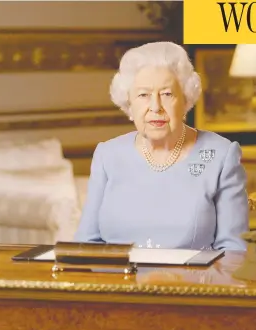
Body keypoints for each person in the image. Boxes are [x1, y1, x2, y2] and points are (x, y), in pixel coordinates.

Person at [74, 41, 249, 251]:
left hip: (191, 283)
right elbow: (86, 245)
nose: (155, 107)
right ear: (129, 104)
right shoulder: (108, 155)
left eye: (167, 94)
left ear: (185, 101)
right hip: (116, 281)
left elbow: (233, 252)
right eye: (143, 95)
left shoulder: (221, 155)